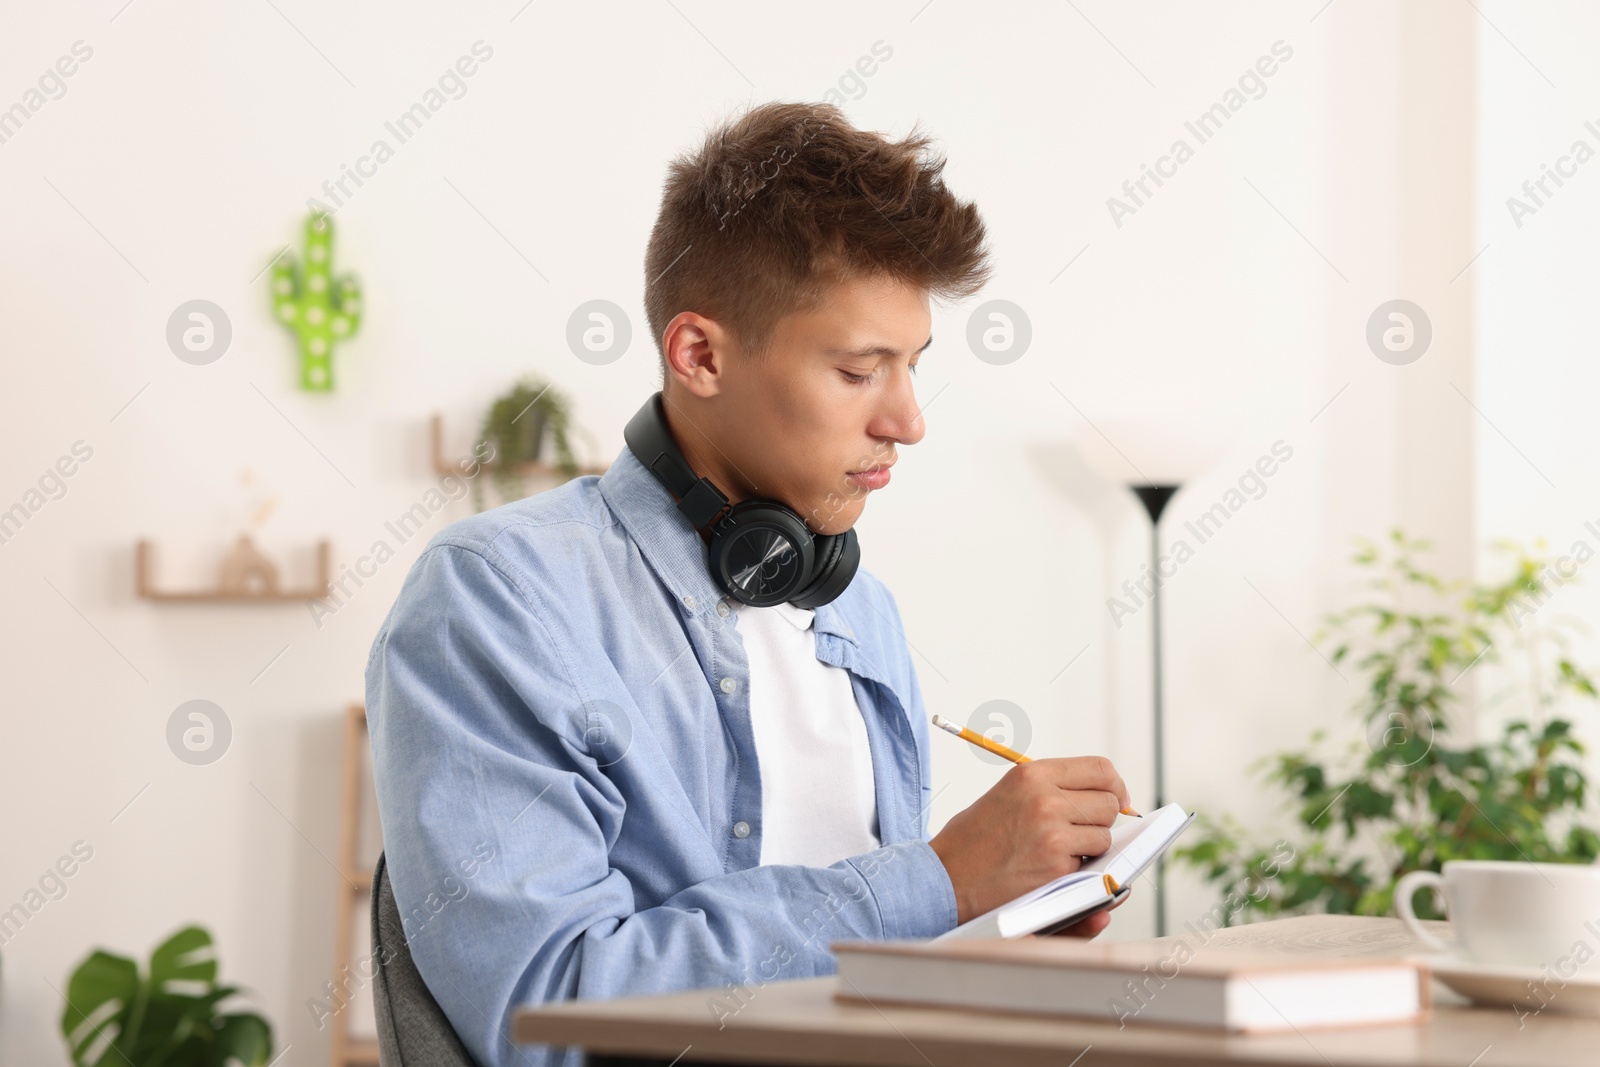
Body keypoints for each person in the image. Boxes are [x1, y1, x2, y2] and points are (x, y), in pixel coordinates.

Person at [366, 100, 1132, 1067]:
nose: (908, 420)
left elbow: (861, 973)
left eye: (913, 367)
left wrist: (996, 918)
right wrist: (936, 880)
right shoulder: (499, 599)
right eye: (860, 370)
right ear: (700, 355)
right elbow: (548, 1013)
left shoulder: (857, 607)